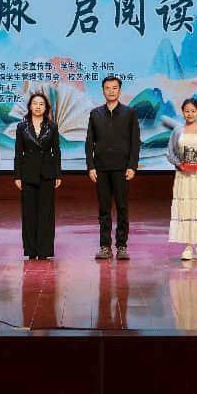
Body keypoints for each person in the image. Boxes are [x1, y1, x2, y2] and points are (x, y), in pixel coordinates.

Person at [85, 76, 140, 260]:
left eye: (114, 88)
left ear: (119, 90)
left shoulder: (129, 113)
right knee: (104, 209)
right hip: (101, 168)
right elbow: (89, 142)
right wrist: (90, 166)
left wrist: (132, 166)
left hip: (122, 168)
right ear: (103, 91)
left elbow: (135, 141)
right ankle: (105, 246)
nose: (111, 91)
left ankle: (122, 245)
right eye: (107, 88)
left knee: (122, 208)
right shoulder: (95, 114)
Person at [166, 97, 197, 261]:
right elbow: (170, 153)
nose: (190, 114)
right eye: (187, 111)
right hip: (183, 176)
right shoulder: (177, 131)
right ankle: (188, 247)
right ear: (182, 112)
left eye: (193, 111)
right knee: (185, 209)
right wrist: (179, 164)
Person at [14, 92, 62, 260]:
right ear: (29, 106)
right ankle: (31, 250)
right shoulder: (22, 127)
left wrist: (58, 174)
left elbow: (56, 151)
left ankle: (44, 250)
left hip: (47, 173)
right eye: (35, 103)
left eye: (41, 104)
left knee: (46, 213)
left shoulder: (52, 127)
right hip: (28, 173)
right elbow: (18, 152)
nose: (38, 106)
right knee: (29, 213)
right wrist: (17, 176)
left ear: (46, 108)